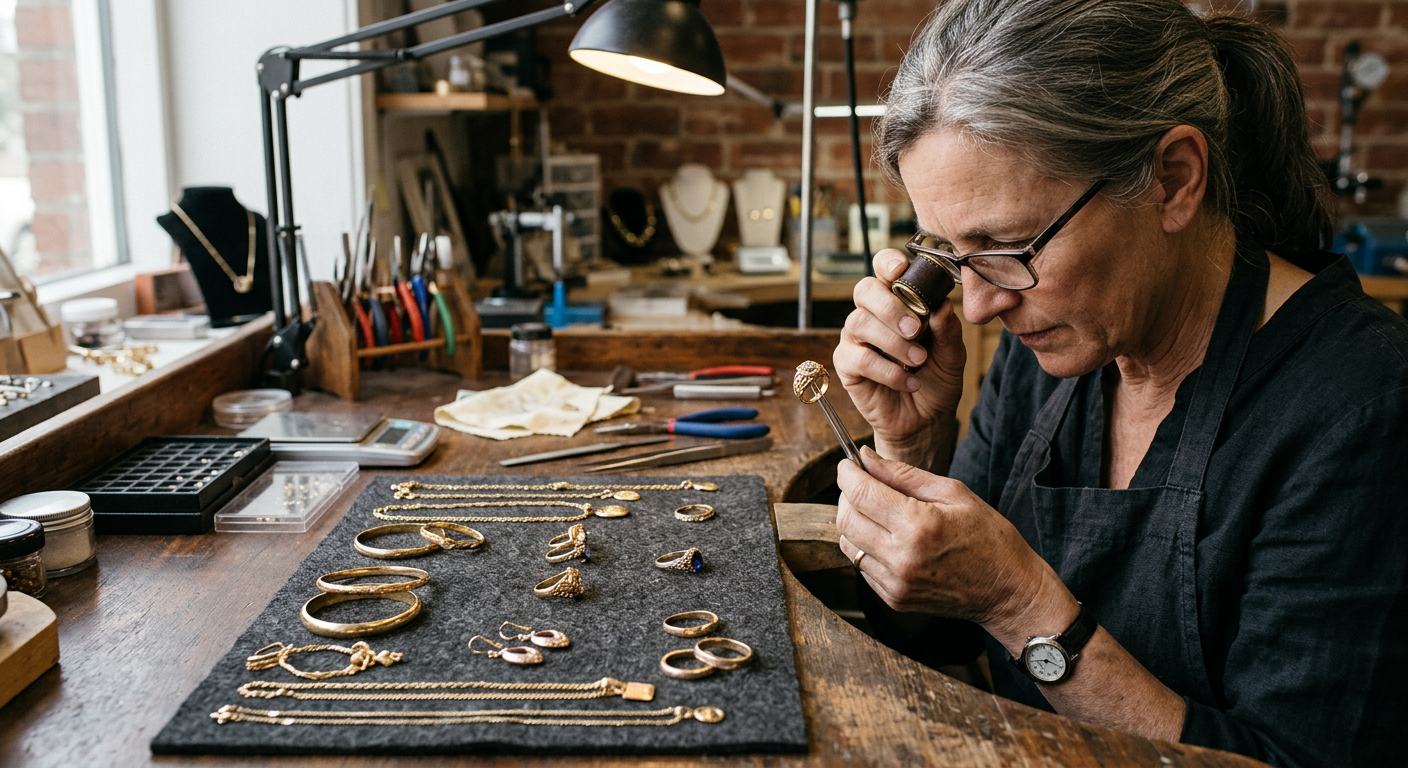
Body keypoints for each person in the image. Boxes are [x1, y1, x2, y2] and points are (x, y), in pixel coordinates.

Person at [832, 1, 1408, 765]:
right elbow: (940, 629)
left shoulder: (1359, 404)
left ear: (1173, 179)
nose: (977, 305)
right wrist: (912, 448)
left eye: (1007, 246)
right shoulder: (1053, 345)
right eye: (949, 253)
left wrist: (1021, 603)